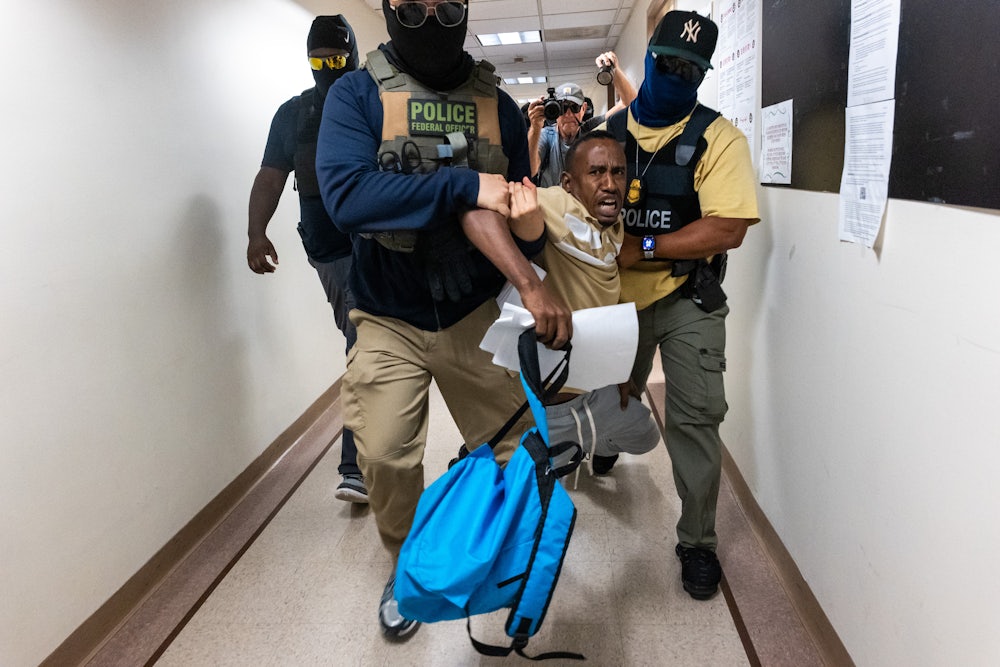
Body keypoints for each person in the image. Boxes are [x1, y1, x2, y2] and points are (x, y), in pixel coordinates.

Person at [315, 0, 572, 639]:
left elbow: (516, 213)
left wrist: (531, 236)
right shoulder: (356, 94)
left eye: (445, 6)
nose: (430, 18)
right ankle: (408, 568)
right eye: (412, 7)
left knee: (520, 453)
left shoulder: (500, 106)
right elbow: (348, 196)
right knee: (383, 454)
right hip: (387, 312)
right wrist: (463, 186)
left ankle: (508, 566)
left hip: (474, 310)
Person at [605, 11, 760, 601]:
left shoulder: (719, 138)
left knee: (694, 422)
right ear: (649, 57)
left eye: (689, 70)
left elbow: (727, 229)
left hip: (686, 296)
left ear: (702, 75)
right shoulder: (605, 135)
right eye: (667, 63)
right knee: (608, 399)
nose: (675, 75)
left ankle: (697, 541)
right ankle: (609, 442)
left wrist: (644, 246)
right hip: (615, 301)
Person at [481, 132, 661, 474]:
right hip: (542, 401)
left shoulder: (614, 223)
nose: (610, 183)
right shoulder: (553, 203)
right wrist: (528, 279)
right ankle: (556, 448)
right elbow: (480, 204)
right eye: (596, 172)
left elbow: (604, 291)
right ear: (568, 182)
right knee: (534, 492)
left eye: (618, 172)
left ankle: (584, 441)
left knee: (647, 436)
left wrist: (618, 370)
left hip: (593, 386)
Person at [246, 15, 369, 504]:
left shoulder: (375, 102)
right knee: (364, 341)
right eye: (320, 62)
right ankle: (363, 456)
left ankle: (355, 464)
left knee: (365, 341)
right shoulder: (294, 115)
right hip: (331, 252)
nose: (329, 69)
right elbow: (270, 177)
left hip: (380, 245)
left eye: (337, 60)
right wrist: (256, 233)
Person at [527, 51, 637, 187]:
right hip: (552, 205)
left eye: (574, 107)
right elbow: (531, 169)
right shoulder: (546, 135)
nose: (568, 114)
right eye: (563, 107)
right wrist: (535, 127)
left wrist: (614, 70)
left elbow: (631, 105)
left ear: (584, 108)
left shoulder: (591, 129)